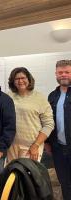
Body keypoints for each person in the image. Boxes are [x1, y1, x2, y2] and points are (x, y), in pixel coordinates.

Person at [7, 67, 54, 162]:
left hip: (31, 147)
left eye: (23, 78)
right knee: (13, 175)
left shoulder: (39, 98)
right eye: (17, 79)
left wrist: (36, 145)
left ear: (29, 79)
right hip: (11, 147)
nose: (20, 81)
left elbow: (49, 125)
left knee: (27, 175)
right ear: (13, 81)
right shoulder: (8, 96)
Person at [47, 60, 71, 200]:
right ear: (56, 74)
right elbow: (48, 122)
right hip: (58, 148)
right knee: (64, 182)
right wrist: (48, 142)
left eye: (67, 72)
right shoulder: (52, 96)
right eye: (60, 72)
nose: (63, 75)